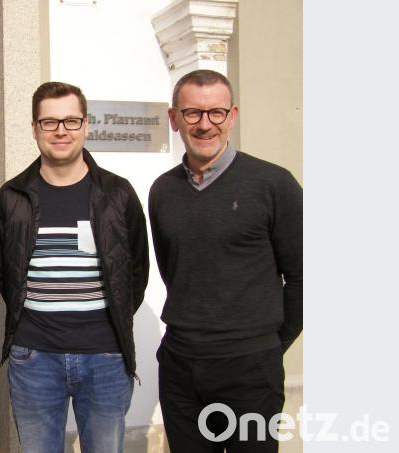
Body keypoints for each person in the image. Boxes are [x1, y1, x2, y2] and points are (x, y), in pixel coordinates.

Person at [149, 69, 303, 452]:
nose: (205, 125)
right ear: (174, 119)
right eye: (192, 114)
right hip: (181, 367)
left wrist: (266, 343)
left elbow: (305, 279)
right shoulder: (163, 191)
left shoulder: (273, 184)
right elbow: (176, 271)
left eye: (216, 113)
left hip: (250, 369)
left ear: (232, 116)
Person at [0, 81, 150, 452]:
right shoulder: (12, 197)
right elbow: (5, 272)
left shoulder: (117, 194)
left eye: (70, 121)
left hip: (105, 357)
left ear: (86, 125)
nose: (60, 131)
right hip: (34, 359)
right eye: (49, 122)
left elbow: (136, 270)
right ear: (34, 129)